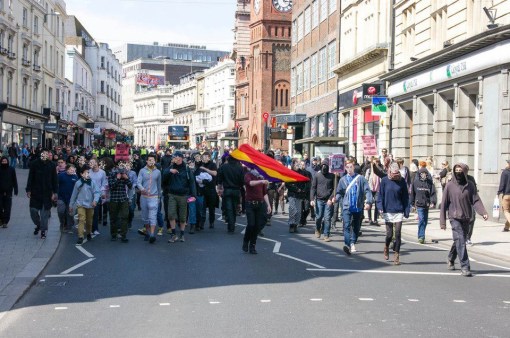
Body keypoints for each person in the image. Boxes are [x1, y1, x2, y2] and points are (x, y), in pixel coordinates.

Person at [440, 163, 488, 277]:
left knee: (459, 240)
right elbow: (444, 204)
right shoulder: (450, 185)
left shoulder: (470, 185)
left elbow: (475, 200)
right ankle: (465, 266)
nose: (458, 172)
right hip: (454, 216)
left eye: (460, 170)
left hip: (466, 217)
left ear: (465, 172)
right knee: (461, 240)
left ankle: (451, 257)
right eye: (456, 170)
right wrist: (443, 222)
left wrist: (483, 212)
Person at [336, 160, 372, 255]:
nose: (349, 169)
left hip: (357, 207)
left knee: (356, 227)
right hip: (347, 207)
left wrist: (368, 202)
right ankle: (348, 245)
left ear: (354, 167)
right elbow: (339, 192)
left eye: (350, 167)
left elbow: (367, 190)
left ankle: (352, 242)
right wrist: (335, 199)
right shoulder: (342, 179)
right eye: (347, 167)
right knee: (346, 226)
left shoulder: (360, 179)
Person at [377, 163, 410, 265]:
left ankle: (397, 254)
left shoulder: (402, 181)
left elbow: (405, 197)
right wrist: (380, 207)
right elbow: (380, 196)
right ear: (389, 171)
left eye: (397, 173)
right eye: (393, 173)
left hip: (398, 210)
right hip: (388, 209)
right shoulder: (385, 181)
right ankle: (386, 247)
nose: (395, 175)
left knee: (398, 234)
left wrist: (407, 210)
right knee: (389, 234)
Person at [164, 151, 196, 242]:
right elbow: (163, 175)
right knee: (171, 215)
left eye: (175, 157)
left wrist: (194, 195)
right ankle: (174, 235)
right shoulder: (171, 167)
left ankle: (182, 234)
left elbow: (192, 182)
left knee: (182, 217)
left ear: (180, 158)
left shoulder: (186, 168)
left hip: (183, 195)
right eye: (173, 157)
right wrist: (170, 170)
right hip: (172, 194)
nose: (173, 158)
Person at [26, 150, 58, 239]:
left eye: (46, 154)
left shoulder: (52, 165)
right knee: (33, 211)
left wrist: (54, 193)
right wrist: (28, 190)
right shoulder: (34, 164)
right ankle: (38, 224)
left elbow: (54, 180)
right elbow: (30, 178)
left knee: (44, 214)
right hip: (36, 192)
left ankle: (43, 231)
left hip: (47, 193)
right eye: (43, 154)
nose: (45, 155)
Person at [70, 165, 101, 245]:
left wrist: (95, 201)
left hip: (90, 205)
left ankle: (88, 232)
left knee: (89, 221)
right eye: (86, 172)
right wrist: (71, 205)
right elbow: (74, 194)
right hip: (81, 204)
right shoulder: (78, 183)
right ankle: (80, 236)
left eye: (88, 172)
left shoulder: (92, 182)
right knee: (81, 219)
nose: (88, 174)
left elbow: (97, 192)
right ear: (81, 174)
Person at [242, 169, 271, 254]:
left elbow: (264, 193)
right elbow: (250, 183)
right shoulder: (248, 175)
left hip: (260, 204)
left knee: (257, 226)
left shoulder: (261, 176)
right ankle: (246, 241)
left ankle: (252, 245)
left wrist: (268, 205)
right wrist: (261, 181)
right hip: (250, 204)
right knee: (251, 224)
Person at [137, 154, 162, 244]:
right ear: (147, 161)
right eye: (149, 160)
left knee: (153, 216)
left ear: (155, 161)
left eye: (153, 160)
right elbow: (138, 182)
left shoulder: (158, 172)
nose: (151, 161)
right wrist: (142, 189)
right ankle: (147, 232)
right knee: (145, 217)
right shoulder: (142, 171)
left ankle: (152, 234)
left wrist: (159, 196)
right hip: (144, 197)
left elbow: (159, 185)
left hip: (154, 197)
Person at [216, 154, 244, 233]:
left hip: (227, 190)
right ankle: (233, 223)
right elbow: (242, 181)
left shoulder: (224, 167)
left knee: (229, 208)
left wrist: (219, 188)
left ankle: (230, 226)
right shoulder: (240, 168)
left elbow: (220, 178)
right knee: (234, 208)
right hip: (236, 190)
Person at [410, 163, 437, 244]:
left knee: (425, 221)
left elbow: (433, 193)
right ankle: (421, 236)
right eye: (422, 174)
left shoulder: (429, 183)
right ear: (419, 174)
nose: (423, 175)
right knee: (421, 219)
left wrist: (433, 202)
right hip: (419, 204)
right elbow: (412, 194)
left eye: (425, 174)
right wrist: (412, 204)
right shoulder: (416, 182)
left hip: (427, 204)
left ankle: (422, 235)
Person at [310, 159, 335, 242]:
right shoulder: (317, 176)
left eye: (326, 166)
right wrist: (312, 199)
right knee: (319, 217)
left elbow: (335, 188)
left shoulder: (332, 176)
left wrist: (331, 198)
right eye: (323, 166)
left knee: (327, 218)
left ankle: (326, 234)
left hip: (328, 200)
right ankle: (317, 229)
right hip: (319, 200)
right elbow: (313, 188)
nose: (324, 168)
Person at [108, 165, 132, 242]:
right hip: (114, 199)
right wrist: (117, 178)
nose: (121, 170)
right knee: (113, 218)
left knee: (125, 217)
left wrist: (126, 178)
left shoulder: (125, 174)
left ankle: (123, 235)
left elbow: (131, 186)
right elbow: (111, 187)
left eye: (122, 168)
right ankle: (114, 235)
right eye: (119, 168)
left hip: (123, 198)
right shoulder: (112, 174)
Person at [286, 159, 308, 233]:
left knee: (298, 212)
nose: (298, 165)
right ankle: (291, 225)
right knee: (293, 210)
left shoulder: (302, 173)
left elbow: (306, 182)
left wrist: (303, 190)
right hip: (292, 194)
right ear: (293, 164)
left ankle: (295, 225)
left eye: (299, 164)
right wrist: (296, 189)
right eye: (296, 163)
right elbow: (287, 184)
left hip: (299, 195)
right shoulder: (290, 172)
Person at [198, 152, 218, 229]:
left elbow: (215, 173)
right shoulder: (201, 165)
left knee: (211, 208)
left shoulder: (213, 165)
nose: (204, 158)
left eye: (206, 157)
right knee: (202, 208)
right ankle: (202, 223)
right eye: (203, 157)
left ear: (209, 157)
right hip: (203, 189)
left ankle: (211, 222)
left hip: (211, 189)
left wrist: (205, 169)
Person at [57, 164, 79, 233]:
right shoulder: (61, 175)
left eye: (73, 169)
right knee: (61, 211)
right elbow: (55, 184)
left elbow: (78, 187)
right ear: (67, 169)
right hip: (61, 197)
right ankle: (62, 223)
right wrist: (54, 193)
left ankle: (68, 227)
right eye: (71, 169)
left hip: (71, 199)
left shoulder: (75, 177)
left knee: (69, 213)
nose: (72, 170)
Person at [89, 158, 108, 236]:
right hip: (89, 193)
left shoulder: (102, 172)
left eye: (92, 162)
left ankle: (95, 228)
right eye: (90, 162)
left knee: (96, 212)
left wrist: (102, 192)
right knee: (89, 212)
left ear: (97, 163)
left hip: (98, 194)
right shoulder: (88, 172)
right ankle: (88, 228)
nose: (91, 164)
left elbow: (104, 183)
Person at [0, 156, 18, 228]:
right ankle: (1, 219)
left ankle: (5, 222)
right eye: (3, 161)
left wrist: (16, 189)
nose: (4, 162)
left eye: (5, 161)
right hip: (0, 191)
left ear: (7, 162)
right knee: (0, 206)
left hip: (8, 191)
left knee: (7, 207)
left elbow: (14, 180)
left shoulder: (11, 169)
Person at [499, 160, 510, 232]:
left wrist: (498, 193)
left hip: (507, 195)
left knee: (506, 211)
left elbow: (502, 184)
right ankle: (506, 227)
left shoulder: (505, 172)